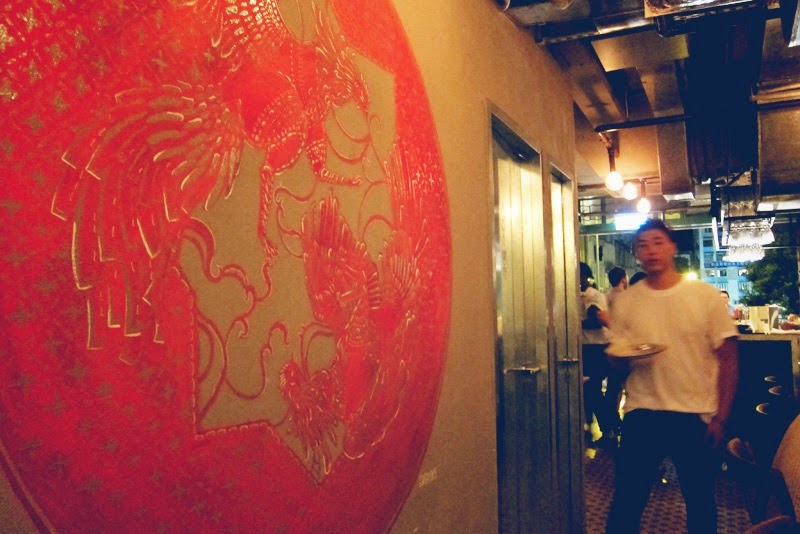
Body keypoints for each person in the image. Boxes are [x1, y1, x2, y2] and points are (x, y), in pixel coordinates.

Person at [605, 219, 739, 533]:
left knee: (700, 502)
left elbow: (729, 357)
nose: (651, 251)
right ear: (636, 253)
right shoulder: (627, 301)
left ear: (672, 247)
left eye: (658, 242)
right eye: (643, 245)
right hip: (642, 412)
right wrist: (615, 358)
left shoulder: (705, 296)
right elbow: (620, 362)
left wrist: (721, 418)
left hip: (694, 414)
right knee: (626, 501)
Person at [580, 261, 617, 448]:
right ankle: (606, 427)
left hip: (593, 349)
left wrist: (572, 323)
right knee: (592, 390)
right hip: (595, 348)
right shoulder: (593, 294)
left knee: (592, 391)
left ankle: (608, 429)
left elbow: (596, 320)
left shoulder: (589, 296)